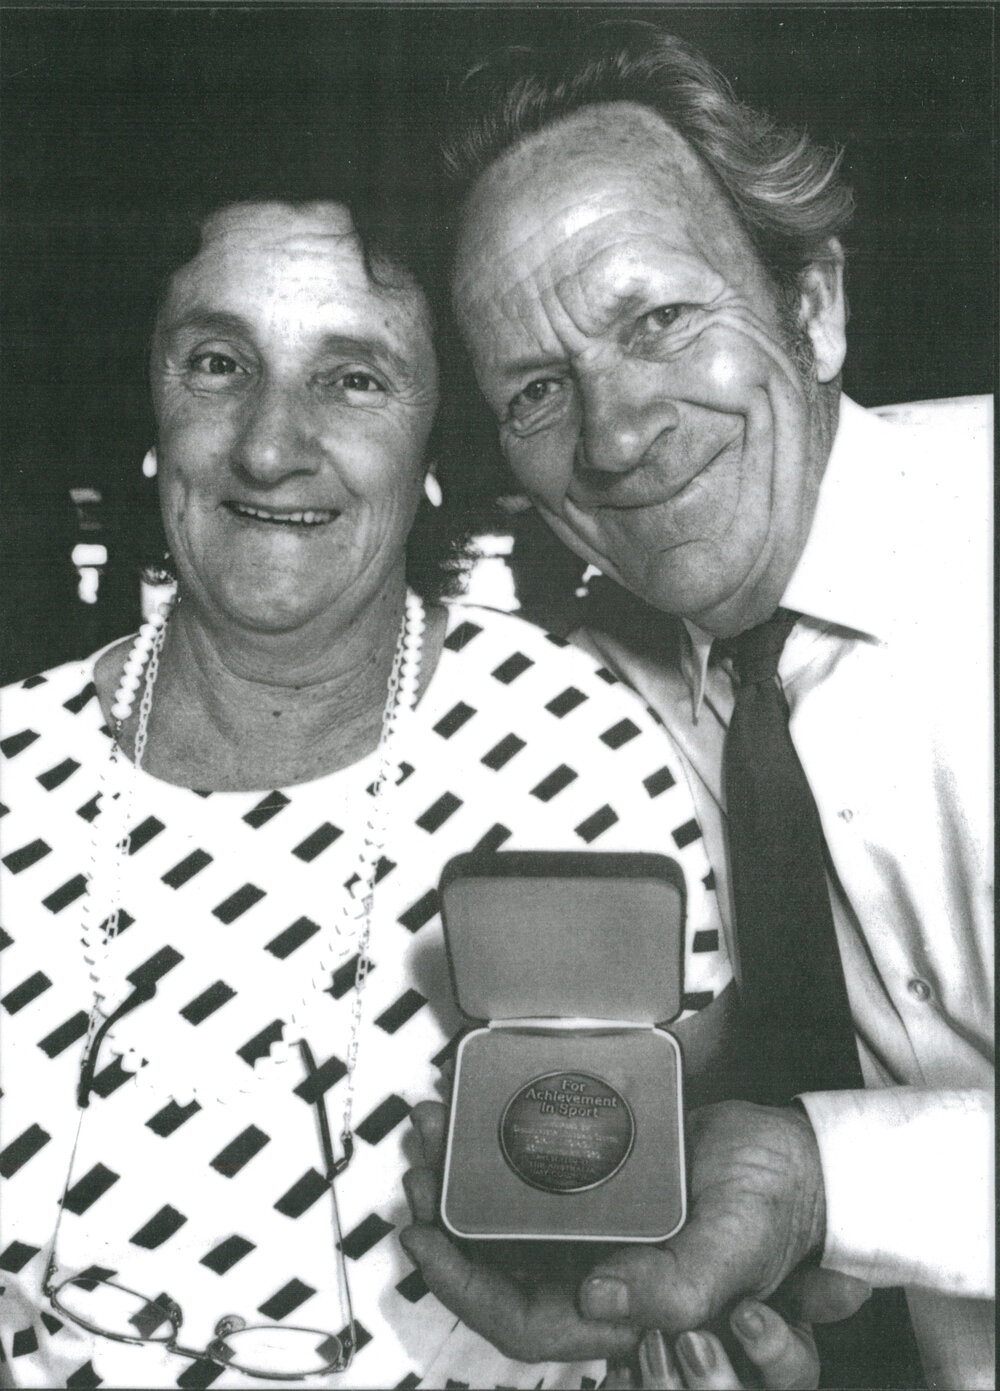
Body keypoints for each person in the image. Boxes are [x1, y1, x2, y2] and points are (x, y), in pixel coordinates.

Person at [0, 176, 759, 1390]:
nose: (267, 443)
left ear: (435, 445)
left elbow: (682, 1237)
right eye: (215, 362)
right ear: (149, 403)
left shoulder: (591, 753)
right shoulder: (14, 771)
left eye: (353, 377)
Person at [399, 21, 994, 1391]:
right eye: (540, 391)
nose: (613, 434)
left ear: (816, 305)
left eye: (659, 318)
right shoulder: (646, 682)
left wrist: (813, 1172)